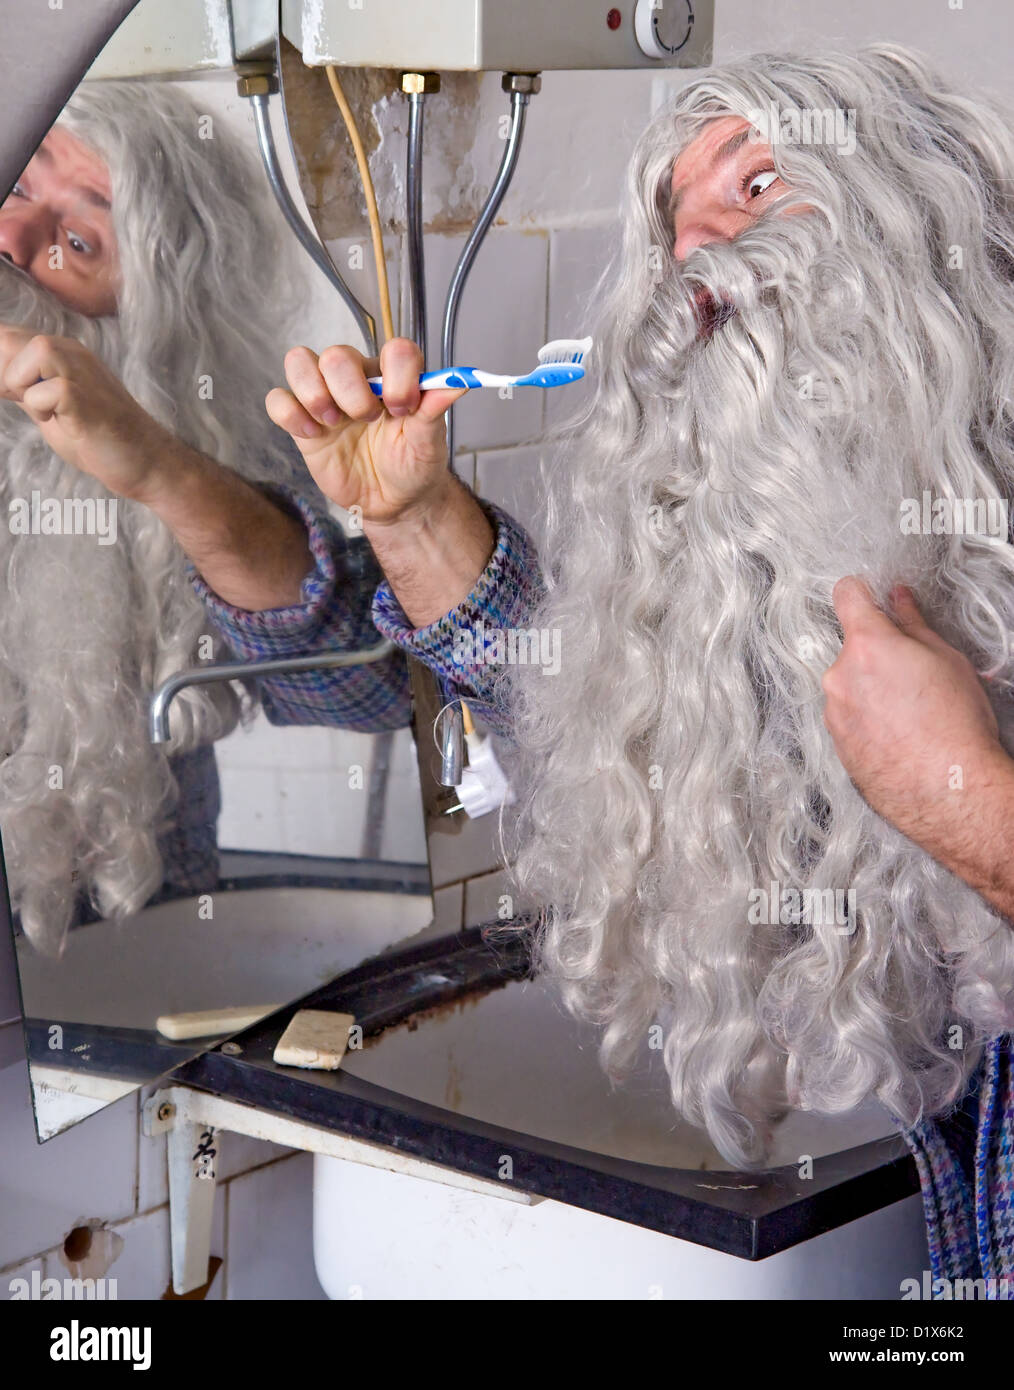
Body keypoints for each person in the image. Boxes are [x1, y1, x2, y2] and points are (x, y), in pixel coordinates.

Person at [268, 45, 1014, 1290]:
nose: (698, 254)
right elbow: (630, 736)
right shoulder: (816, 559)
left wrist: (965, 799)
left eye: (759, 183)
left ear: (920, 222)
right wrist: (403, 517)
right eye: (678, 217)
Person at [0, 80, 410, 955]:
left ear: (151, 311)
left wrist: (154, 465)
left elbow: (363, 688)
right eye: (20, 184)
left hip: (124, 941)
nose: (11, 240)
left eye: (77, 243)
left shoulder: (209, 440)